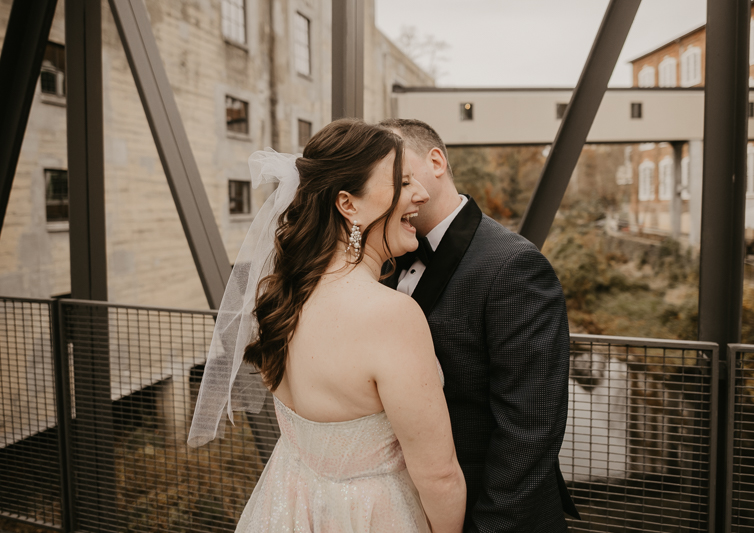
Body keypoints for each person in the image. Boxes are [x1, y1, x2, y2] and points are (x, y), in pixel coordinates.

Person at [188, 119, 466, 532]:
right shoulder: (391, 317)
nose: (421, 194)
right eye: (403, 182)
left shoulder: (280, 296)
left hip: (288, 505)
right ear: (347, 204)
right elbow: (439, 476)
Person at [380, 118, 580, 532]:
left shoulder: (514, 266)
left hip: (491, 511)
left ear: (436, 161)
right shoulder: (382, 259)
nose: (389, 190)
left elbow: (530, 427)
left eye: (398, 174)